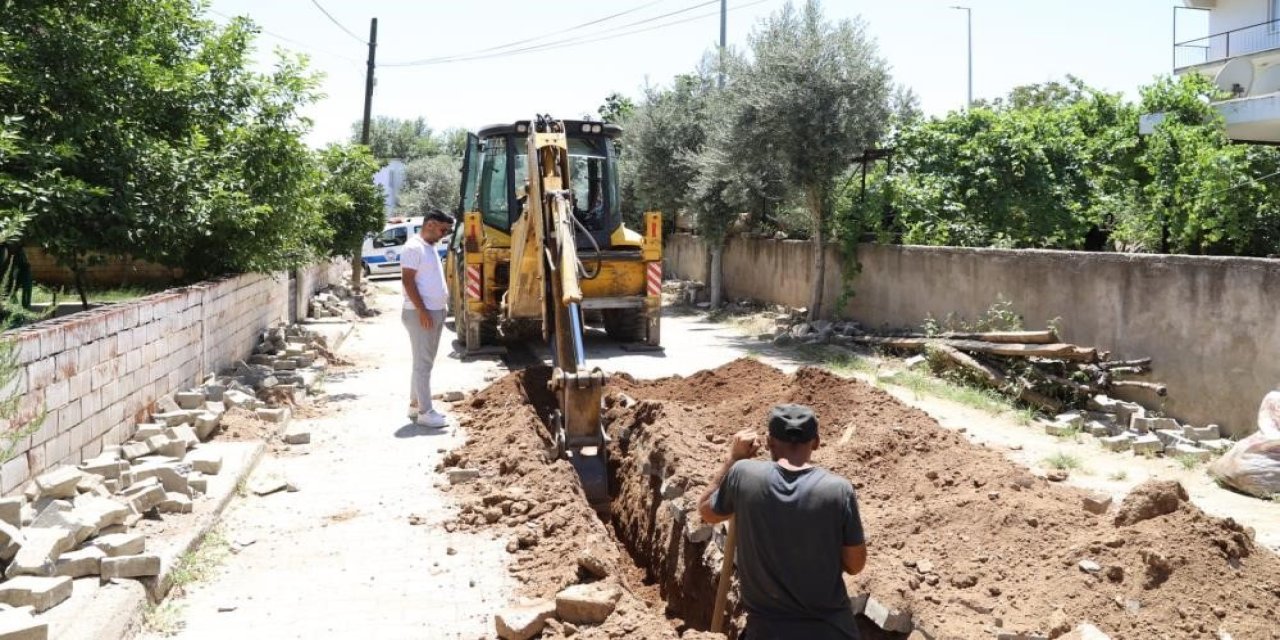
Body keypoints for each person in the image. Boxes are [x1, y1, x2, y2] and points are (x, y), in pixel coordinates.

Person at [698, 404, 868, 639]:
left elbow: (707, 511)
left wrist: (733, 459)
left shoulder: (744, 474)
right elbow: (855, 565)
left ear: (768, 441)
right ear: (816, 442)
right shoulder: (838, 490)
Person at [402, 209, 454, 428]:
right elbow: (408, 281)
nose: (444, 234)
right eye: (443, 229)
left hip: (433, 311)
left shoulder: (429, 247)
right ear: (431, 224)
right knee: (424, 365)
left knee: (421, 363)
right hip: (421, 313)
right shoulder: (414, 247)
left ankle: (415, 405)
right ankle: (426, 412)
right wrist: (422, 310)